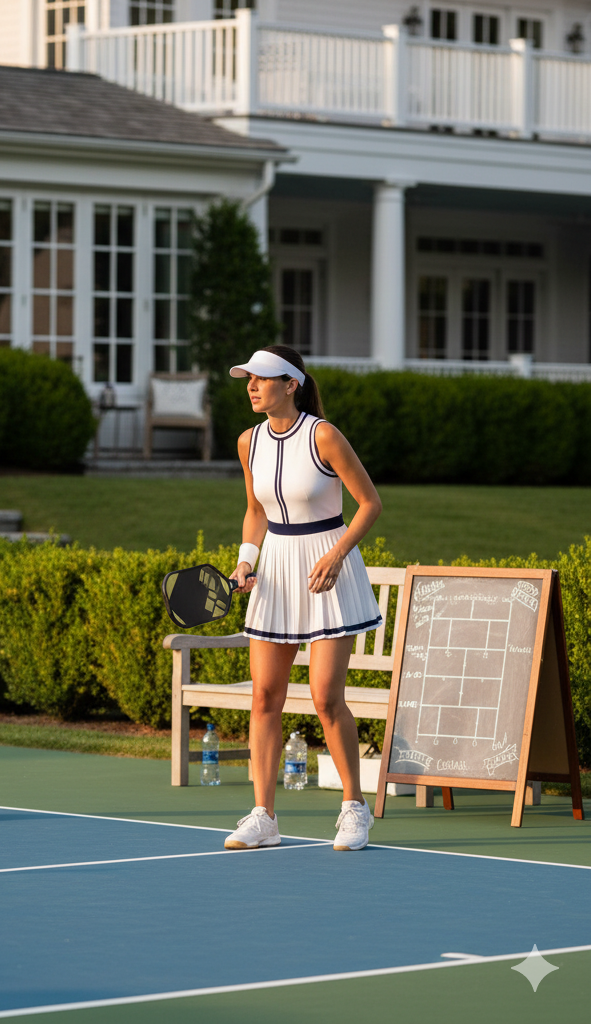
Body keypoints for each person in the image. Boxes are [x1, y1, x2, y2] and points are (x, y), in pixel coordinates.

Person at [223, 345, 383, 852]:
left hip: (327, 569)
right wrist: (247, 559)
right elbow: (255, 511)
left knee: (325, 698)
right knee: (265, 696)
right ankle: (263, 816)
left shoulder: (324, 436)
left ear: (290, 384)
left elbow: (370, 504)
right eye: (247, 379)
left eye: (261, 378)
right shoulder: (249, 442)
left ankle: (355, 809)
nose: (251, 386)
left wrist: (337, 555)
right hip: (275, 570)